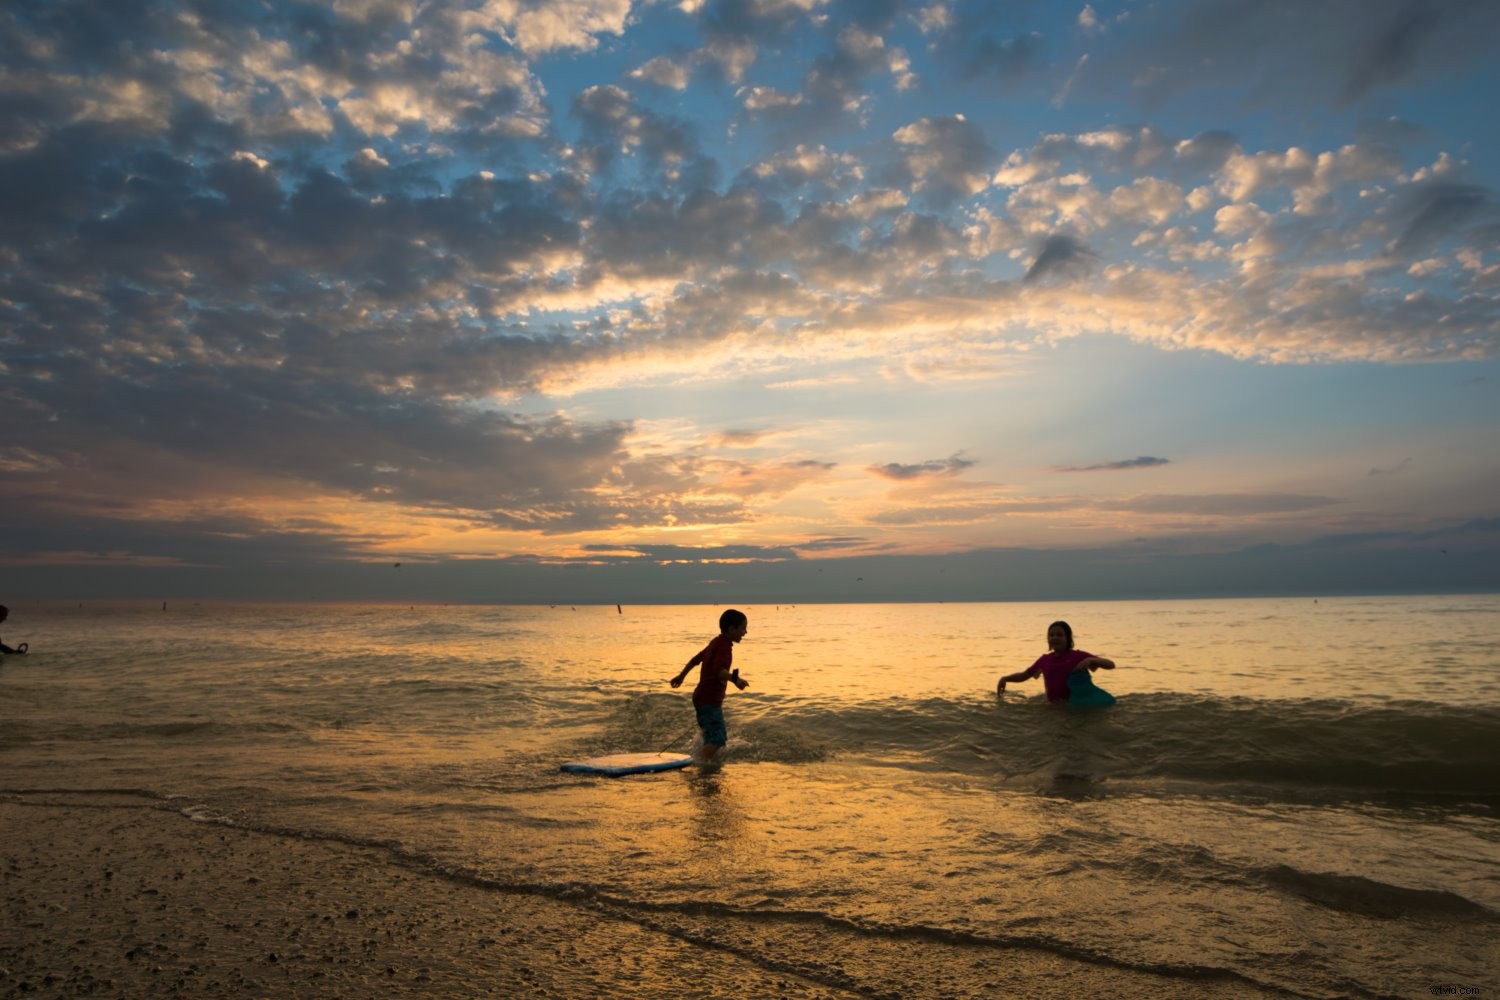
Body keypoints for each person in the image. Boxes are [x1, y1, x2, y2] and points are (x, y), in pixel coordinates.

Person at [669, 609, 750, 762]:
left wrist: (681, 676)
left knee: (711, 736)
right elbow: (719, 672)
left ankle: (706, 767)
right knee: (718, 738)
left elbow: (695, 659)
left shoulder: (716, 642)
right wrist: (735, 679)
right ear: (732, 629)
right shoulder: (724, 648)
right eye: (743, 628)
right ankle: (698, 765)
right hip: (709, 700)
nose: (745, 632)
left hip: (701, 697)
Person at [997, 620, 1112, 702]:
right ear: (1048, 640)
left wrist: (1091, 659)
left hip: (1073, 706)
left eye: (1059, 635)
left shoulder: (1078, 656)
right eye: (1051, 635)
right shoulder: (1044, 660)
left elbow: (1111, 665)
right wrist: (1006, 678)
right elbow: (1025, 675)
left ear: (1068, 638)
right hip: (1051, 707)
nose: (1055, 637)